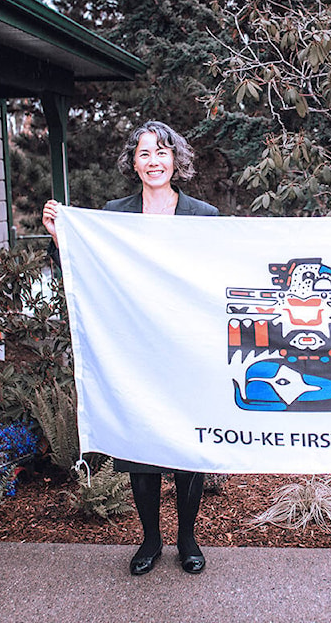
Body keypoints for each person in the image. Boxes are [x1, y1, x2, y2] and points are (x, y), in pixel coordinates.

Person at [42, 121, 218, 576]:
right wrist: (64, 237)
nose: (153, 161)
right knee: (141, 444)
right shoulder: (113, 214)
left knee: (186, 444)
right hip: (134, 348)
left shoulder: (204, 217)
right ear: (132, 162)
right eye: (144, 154)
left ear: (176, 160)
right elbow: (88, 268)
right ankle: (151, 541)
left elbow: (222, 277)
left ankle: (187, 540)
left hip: (186, 349)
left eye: (162, 152)